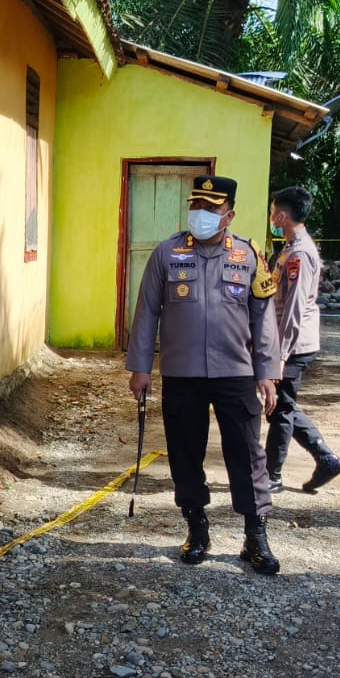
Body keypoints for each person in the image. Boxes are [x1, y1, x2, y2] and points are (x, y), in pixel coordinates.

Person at [126, 175, 283, 576]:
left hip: (236, 373)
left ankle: (255, 535)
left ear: (229, 215)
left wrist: (268, 372)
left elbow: (263, 318)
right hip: (182, 374)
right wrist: (140, 367)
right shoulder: (167, 253)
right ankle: (197, 528)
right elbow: (147, 313)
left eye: (211, 208)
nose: (201, 213)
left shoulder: (249, 256)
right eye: (196, 205)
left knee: (248, 455)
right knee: (184, 452)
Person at [263, 187, 340, 494]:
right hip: (288, 342)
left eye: (273, 212)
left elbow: (295, 307)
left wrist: (281, 354)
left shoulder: (299, 253)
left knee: (281, 409)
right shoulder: (289, 248)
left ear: (282, 215)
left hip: (294, 344)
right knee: (283, 404)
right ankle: (325, 458)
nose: (272, 217)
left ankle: (273, 474)